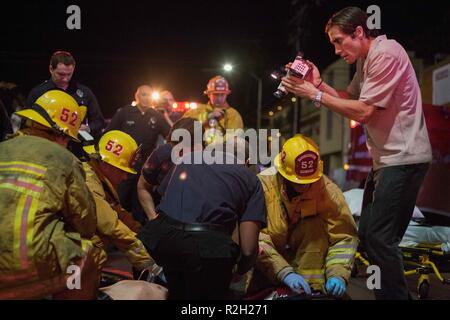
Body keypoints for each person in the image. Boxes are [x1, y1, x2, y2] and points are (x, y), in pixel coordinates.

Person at [281, 7, 432, 299]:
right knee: (370, 236)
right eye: (333, 44)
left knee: (380, 238)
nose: (336, 50)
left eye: (339, 41)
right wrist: (318, 84)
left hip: (404, 158)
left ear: (359, 32)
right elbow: (350, 98)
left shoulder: (386, 53)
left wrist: (313, 94)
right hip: (386, 160)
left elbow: (363, 112)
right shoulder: (365, 60)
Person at [0, 90, 100, 299]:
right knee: (87, 255)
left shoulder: (3, 148)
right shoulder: (64, 158)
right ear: (61, 134)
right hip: (22, 267)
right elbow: (86, 223)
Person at [138, 138, 267, 300]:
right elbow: (248, 248)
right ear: (247, 161)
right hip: (209, 252)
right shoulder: (250, 179)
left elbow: (167, 201)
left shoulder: (187, 159)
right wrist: (240, 271)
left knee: (177, 293)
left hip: (164, 240)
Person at [253, 134, 358, 298]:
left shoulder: (326, 190)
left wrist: (338, 274)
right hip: (266, 268)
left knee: (314, 226)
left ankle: (312, 289)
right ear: (283, 174)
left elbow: (344, 236)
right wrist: (284, 272)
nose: (305, 186)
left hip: (306, 269)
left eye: (309, 180)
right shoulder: (262, 187)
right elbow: (256, 239)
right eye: (299, 181)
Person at [82, 130, 161, 277]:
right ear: (106, 164)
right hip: (74, 262)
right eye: (122, 170)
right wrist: (150, 264)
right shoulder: (89, 184)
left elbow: (119, 214)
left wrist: (144, 234)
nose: (125, 177)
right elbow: (112, 226)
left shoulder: (99, 178)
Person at [105, 85, 171, 225]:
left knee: (141, 199)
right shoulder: (125, 112)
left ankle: (140, 230)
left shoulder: (156, 116)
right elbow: (109, 133)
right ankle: (115, 227)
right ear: (137, 96)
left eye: (148, 95)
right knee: (121, 196)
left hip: (145, 165)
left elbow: (170, 135)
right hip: (123, 163)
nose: (146, 98)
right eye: (143, 95)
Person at [26, 51, 105, 139]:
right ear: (51, 69)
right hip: (47, 143)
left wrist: (88, 128)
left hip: (76, 145)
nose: (65, 79)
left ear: (73, 69)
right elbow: (26, 122)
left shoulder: (85, 92)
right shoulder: (38, 93)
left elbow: (99, 121)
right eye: (61, 74)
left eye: (69, 74)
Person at [137, 117, 201, 218]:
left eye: (181, 150)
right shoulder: (162, 154)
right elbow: (142, 187)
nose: (176, 153)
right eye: (174, 146)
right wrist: (153, 218)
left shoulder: (209, 162)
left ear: (198, 146)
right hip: (164, 218)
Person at [183, 75, 243, 144]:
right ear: (208, 94)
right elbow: (184, 128)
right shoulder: (197, 110)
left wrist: (215, 147)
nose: (219, 98)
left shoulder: (233, 114)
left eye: (222, 94)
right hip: (197, 150)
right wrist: (207, 117)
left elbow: (234, 138)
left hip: (222, 152)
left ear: (227, 95)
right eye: (216, 94)